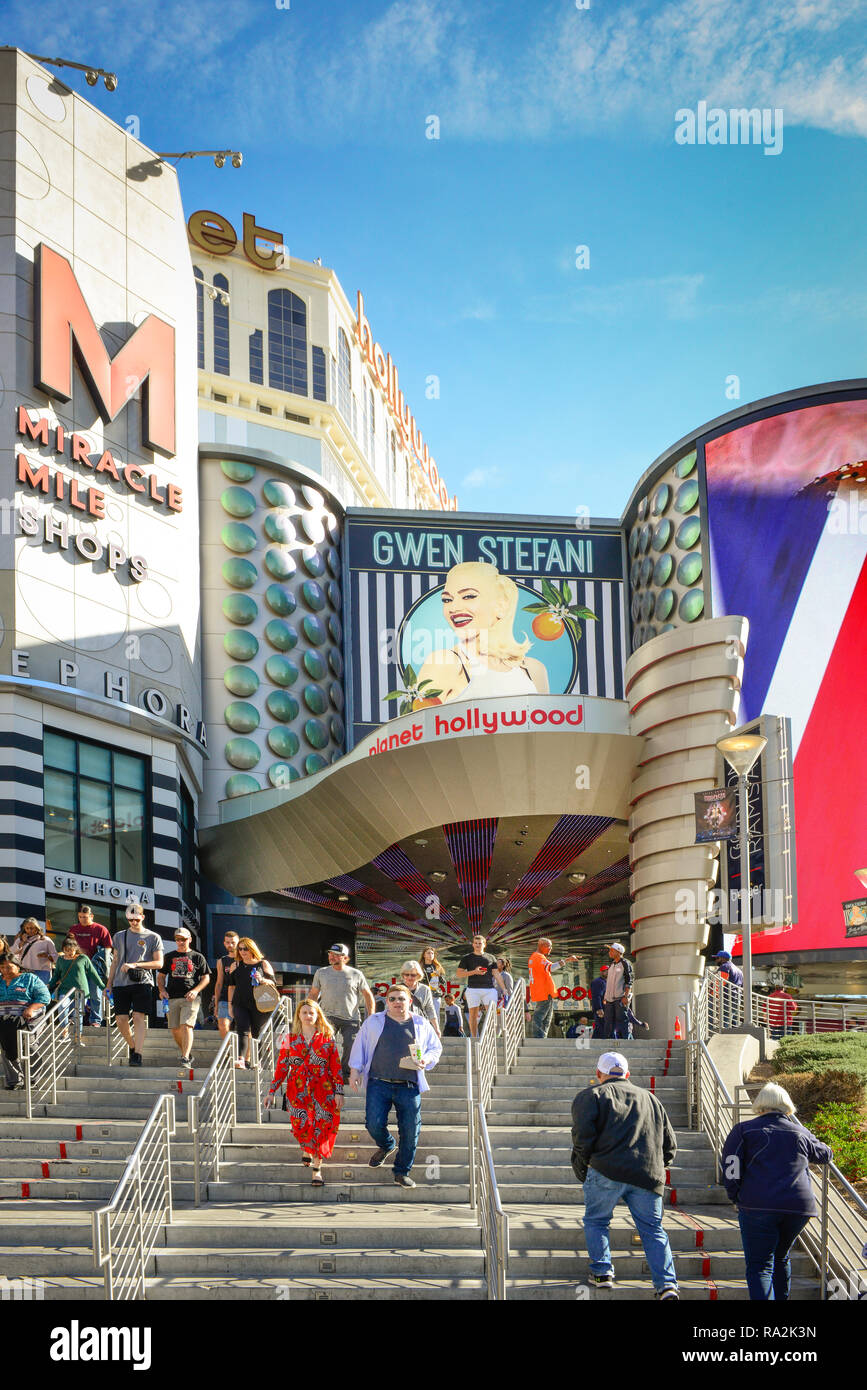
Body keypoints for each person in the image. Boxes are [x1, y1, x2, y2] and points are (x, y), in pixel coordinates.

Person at [571, 1050, 679, 1300]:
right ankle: (666, 1285)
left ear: (599, 1074)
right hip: (647, 1174)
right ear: (627, 1075)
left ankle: (602, 1273)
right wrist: (660, 1166)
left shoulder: (591, 1096)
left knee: (597, 1221)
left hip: (605, 1170)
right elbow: (670, 1144)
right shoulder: (652, 1100)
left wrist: (583, 1166)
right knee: (653, 1229)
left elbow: (582, 1138)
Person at [721, 1083, 833, 1301]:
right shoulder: (799, 1131)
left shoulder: (744, 1130)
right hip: (798, 1207)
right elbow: (825, 1154)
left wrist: (735, 1196)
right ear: (786, 1105)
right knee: (781, 1257)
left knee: (760, 1265)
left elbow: (730, 1167)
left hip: (757, 1205)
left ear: (760, 1104)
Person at [416, 561, 550, 705]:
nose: (453, 608)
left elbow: (547, 726)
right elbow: (418, 724)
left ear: (501, 605)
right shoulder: (444, 662)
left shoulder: (534, 669)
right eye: (447, 600)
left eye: (469, 596)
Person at [348, 983, 442, 1189]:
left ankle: (401, 1172)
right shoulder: (374, 1021)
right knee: (373, 1123)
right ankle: (387, 1145)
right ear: (386, 1002)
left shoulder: (420, 1023)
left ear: (410, 1001)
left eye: (401, 998)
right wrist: (354, 1070)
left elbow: (436, 1048)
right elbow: (360, 1045)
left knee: (410, 1130)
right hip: (378, 1082)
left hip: (408, 1085)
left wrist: (426, 1060)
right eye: (393, 999)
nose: (397, 1002)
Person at [264, 998, 343, 1186]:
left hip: (323, 1090)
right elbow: (282, 1067)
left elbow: (336, 1068)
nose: (308, 1016)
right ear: (298, 1015)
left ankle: (317, 1170)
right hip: (297, 1090)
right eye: (304, 1012)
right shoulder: (288, 1039)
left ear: (317, 1016)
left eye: (311, 1012)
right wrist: (271, 1091)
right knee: (301, 1127)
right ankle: (307, 1149)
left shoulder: (327, 1039)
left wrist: (339, 1092)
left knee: (321, 1127)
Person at [106, 904, 163, 1066]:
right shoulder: (119, 936)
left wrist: (136, 965)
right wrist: (108, 984)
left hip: (142, 981)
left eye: (136, 919)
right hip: (120, 982)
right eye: (130, 919)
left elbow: (159, 963)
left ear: (143, 917)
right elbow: (115, 961)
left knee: (138, 1016)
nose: (133, 922)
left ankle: (137, 1054)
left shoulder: (153, 937)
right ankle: (132, 1046)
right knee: (120, 1019)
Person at [308, 944, 375, 1082]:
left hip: (351, 1018)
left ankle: (345, 1074)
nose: (331, 956)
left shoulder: (356, 974)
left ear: (345, 957)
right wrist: (309, 1012)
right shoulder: (321, 972)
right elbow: (313, 994)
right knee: (324, 1045)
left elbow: (368, 995)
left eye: (336, 954)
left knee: (351, 1045)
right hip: (327, 1017)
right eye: (330, 953)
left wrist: (371, 1016)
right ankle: (327, 1073)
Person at [157, 928, 211, 1073]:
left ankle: (185, 1057)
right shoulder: (169, 956)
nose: (180, 942)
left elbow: (206, 977)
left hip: (190, 997)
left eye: (183, 939)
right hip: (172, 997)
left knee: (186, 1026)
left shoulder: (197, 957)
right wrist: (162, 990)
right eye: (178, 939)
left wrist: (195, 990)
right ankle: (186, 1052)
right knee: (175, 1029)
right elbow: (161, 976)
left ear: (190, 939)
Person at [0, 955, 50, 1090]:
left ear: (18, 966)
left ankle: (33, 1079)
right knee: (6, 1047)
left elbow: (45, 997)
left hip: (29, 1018)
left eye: (9, 967)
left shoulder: (30, 978)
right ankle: (15, 1081)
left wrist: (31, 1008)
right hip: (4, 1021)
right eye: (2, 967)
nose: (5, 970)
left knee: (29, 1045)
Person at [227, 937, 277, 1068]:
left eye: (246, 948)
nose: (243, 951)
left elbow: (273, 983)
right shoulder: (235, 965)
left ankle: (257, 1061)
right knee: (242, 1028)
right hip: (239, 1002)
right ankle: (241, 1059)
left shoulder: (263, 964)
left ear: (252, 949)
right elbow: (231, 987)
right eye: (240, 949)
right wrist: (229, 1005)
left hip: (259, 1003)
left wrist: (263, 980)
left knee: (256, 1032)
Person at [68, 904, 113, 1027]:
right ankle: (74, 1018)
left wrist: (107, 969)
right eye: (80, 917)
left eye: (85, 917)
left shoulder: (100, 929)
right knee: (76, 993)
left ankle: (95, 1021)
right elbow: (68, 945)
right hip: (78, 967)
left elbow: (108, 948)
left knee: (95, 994)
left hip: (95, 967)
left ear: (91, 916)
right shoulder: (73, 929)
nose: (82, 919)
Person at [48, 937, 104, 1036]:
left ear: (76, 949)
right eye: (67, 950)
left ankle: (78, 1035)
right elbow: (56, 975)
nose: (69, 952)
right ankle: (64, 1031)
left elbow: (93, 973)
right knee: (62, 1007)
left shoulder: (83, 958)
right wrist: (49, 986)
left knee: (78, 1013)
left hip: (81, 991)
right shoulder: (60, 960)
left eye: (72, 950)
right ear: (63, 949)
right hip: (65, 990)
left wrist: (103, 987)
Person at [527, 938, 578, 1038]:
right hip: (543, 991)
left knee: (547, 1016)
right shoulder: (538, 957)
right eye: (549, 946)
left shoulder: (536, 957)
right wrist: (567, 960)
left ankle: (542, 1036)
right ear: (542, 946)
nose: (551, 949)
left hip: (542, 991)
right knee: (541, 1016)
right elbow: (551, 968)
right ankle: (539, 1037)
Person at [456, 934, 504, 1038]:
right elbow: (459, 974)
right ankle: (474, 1037)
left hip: (489, 989)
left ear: (484, 944)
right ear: (473, 944)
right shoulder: (467, 958)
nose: (478, 945)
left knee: (492, 1015)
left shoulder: (491, 957)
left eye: (480, 943)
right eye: (476, 943)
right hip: (473, 989)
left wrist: (504, 988)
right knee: (473, 1015)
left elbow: (496, 974)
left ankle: (491, 1037)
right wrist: (474, 972)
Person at [400, 961, 441, 1036]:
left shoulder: (425, 989)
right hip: (401, 1026)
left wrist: (436, 1028)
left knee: (419, 1047)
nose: (409, 977)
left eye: (413, 975)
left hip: (420, 1026)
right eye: (407, 974)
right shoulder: (396, 989)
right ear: (403, 975)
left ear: (418, 975)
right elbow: (388, 1009)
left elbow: (430, 1009)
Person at [602, 943, 634, 1040]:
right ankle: (609, 1040)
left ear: (618, 951)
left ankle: (625, 1040)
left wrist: (626, 996)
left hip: (620, 998)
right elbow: (609, 982)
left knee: (622, 1020)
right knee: (608, 1021)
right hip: (609, 999)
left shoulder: (625, 963)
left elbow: (629, 980)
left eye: (612, 950)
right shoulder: (612, 965)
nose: (609, 952)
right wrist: (605, 996)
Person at [11, 919, 57, 984]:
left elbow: (55, 957)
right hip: (25, 971)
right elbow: (12, 952)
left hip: (41, 973)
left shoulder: (46, 940)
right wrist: (22, 942)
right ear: (24, 929)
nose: (29, 930)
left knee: (40, 992)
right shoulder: (20, 940)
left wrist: (47, 955)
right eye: (27, 928)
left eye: (32, 928)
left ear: (37, 928)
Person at [211, 930, 239, 1038]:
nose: (230, 945)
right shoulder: (221, 961)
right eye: (227, 942)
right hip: (225, 998)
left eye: (233, 942)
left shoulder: (244, 958)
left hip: (241, 996)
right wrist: (216, 1004)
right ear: (224, 943)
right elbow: (219, 983)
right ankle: (228, 1051)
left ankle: (243, 1053)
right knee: (223, 1025)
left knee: (244, 1028)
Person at [714, 950, 744, 1027]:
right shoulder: (739, 971)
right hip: (737, 998)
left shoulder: (724, 967)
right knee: (734, 1024)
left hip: (727, 998)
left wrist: (713, 995)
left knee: (724, 1024)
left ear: (722, 958)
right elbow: (742, 986)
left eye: (717, 958)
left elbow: (720, 983)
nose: (716, 960)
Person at [420, 946, 447, 1024]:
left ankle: (436, 1033)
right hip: (423, 994)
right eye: (428, 953)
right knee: (423, 1014)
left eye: (432, 953)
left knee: (435, 1015)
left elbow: (443, 982)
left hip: (435, 994)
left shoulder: (437, 967)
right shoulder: (420, 967)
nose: (430, 955)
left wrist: (439, 976)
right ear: (424, 955)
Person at [590, 965, 608, 1038]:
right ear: (601, 972)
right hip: (601, 1009)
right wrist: (599, 1009)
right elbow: (596, 996)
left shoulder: (606, 982)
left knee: (600, 1028)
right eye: (605, 971)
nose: (607, 972)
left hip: (605, 1008)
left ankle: (595, 1043)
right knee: (601, 1027)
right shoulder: (598, 982)